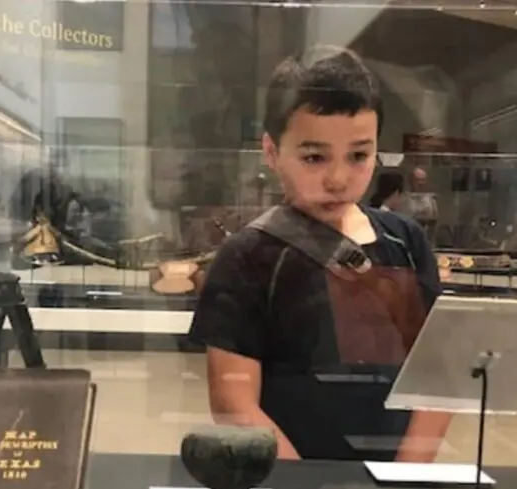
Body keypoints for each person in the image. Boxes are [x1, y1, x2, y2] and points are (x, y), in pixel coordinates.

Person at [188, 46, 449, 463]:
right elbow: (232, 399)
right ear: (272, 152)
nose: (339, 178)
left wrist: (405, 476)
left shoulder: (407, 242)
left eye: (359, 155)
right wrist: (303, 488)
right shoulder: (247, 257)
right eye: (314, 157)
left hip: (393, 484)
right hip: (288, 484)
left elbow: (437, 375)